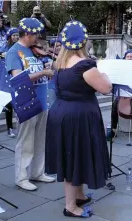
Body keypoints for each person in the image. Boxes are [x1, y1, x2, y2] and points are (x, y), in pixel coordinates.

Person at [45, 20, 112, 218]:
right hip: (78, 116)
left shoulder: (59, 63)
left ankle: (79, 195)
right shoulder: (85, 66)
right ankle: (70, 206)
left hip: (61, 112)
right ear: (83, 42)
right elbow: (106, 88)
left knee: (74, 154)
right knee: (74, 157)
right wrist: (106, 75)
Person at [5, 18, 55, 191]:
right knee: (26, 140)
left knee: (40, 139)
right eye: (35, 35)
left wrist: (47, 65)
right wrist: (43, 71)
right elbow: (18, 78)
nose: (38, 39)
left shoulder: (33, 51)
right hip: (27, 102)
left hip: (42, 100)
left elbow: (38, 71)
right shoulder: (14, 52)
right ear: (27, 34)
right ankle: (21, 176)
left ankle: (37, 172)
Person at [0, 27, 19, 138]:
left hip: (17, 77)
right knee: (9, 106)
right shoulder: (6, 47)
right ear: (10, 37)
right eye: (14, 35)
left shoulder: (20, 47)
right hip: (8, 79)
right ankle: (9, 128)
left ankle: (19, 126)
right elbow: (1, 54)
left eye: (17, 35)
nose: (16, 37)